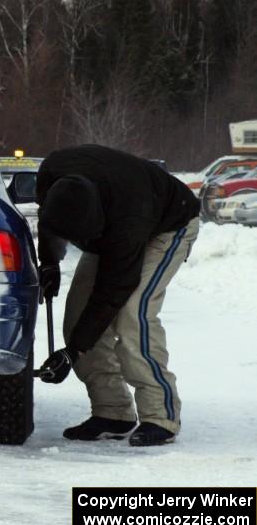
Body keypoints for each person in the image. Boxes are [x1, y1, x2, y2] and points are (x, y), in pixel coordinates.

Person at [35, 145, 199, 447]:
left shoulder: (127, 221)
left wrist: (72, 352)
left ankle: (160, 415)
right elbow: (49, 219)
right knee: (76, 319)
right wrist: (49, 262)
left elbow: (110, 295)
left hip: (169, 225)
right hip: (114, 221)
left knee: (133, 314)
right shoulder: (53, 173)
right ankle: (112, 412)